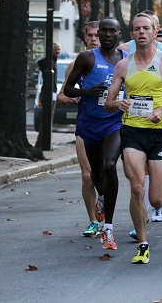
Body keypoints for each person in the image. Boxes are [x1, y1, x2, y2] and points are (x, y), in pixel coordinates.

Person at [104, 13, 162, 264]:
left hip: (160, 133)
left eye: (146, 28)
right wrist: (117, 103)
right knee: (137, 187)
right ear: (131, 35)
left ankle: (158, 191)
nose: (141, 32)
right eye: (137, 29)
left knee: (156, 198)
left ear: (155, 32)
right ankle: (142, 243)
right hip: (132, 131)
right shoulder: (123, 65)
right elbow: (108, 103)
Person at [64, 18, 127, 250]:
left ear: (119, 34)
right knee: (96, 174)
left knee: (110, 165)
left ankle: (108, 229)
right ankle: (101, 197)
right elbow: (68, 89)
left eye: (113, 31)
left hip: (115, 123)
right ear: (98, 34)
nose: (108, 35)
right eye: (104, 31)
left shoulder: (124, 60)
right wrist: (88, 91)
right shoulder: (87, 58)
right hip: (90, 125)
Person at [56, 21, 103, 237]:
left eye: (97, 35)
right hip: (85, 123)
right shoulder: (76, 63)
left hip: (111, 124)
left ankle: (104, 204)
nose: (94, 38)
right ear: (85, 37)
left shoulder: (116, 62)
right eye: (90, 35)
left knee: (106, 172)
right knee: (87, 175)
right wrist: (71, 98)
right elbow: (61, 94)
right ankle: (93, 220)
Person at [35, 42, 62, 148]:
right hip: (47, 92)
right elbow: (40, 62)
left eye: (59, 49)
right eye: (55, 49)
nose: (57, 51)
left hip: (52, 92)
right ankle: (42, 143)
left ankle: (42, 142)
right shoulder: (48, 61)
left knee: (48, 118)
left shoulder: (54, 61)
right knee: (46, 118)